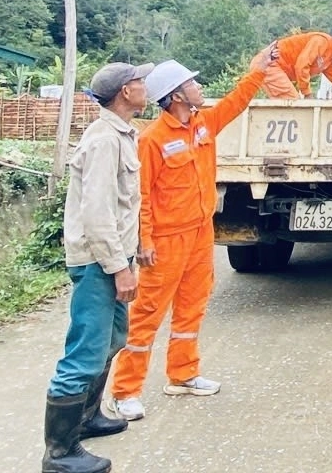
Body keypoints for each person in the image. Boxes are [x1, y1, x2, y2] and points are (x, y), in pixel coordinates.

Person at [107, 43, 277, 420]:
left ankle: (183, 374)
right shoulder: (152, 140)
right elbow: (141, 195)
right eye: (192, 83)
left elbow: (235, 103)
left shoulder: (202, 125)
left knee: (192, 305)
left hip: (200, 234)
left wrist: (259, 71)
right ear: (176, 96)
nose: (199, 88)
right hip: (165, 241)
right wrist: (144, 241)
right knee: (147, 313)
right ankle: (125, 391)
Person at [42, 61, 152, 473]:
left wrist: (131, 253)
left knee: (112, 339)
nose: (145, 87)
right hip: (98, 262)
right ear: (125, 92)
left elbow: (122, 206)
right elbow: (97, 212)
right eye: (140, 82)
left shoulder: (122, 134)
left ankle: (87, 418)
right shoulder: (105, 140)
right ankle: (60, 453)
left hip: (113, 257)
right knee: (85, 352)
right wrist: (118, 267)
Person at [251, 25, 332, 100]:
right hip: (269, 64)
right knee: (292, 103)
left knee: (292, 104)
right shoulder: (321, 42)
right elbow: (301, 65)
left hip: (272, 66)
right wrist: (307, 93)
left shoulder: (328, 58)